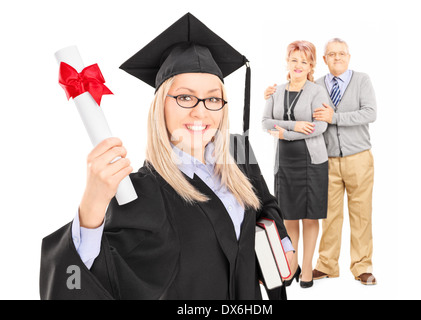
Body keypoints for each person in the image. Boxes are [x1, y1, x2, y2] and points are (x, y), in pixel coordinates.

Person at [40, 13, 294, 300]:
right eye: (185, 97)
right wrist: (91, 209)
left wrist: (281, 244)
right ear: (161, 105)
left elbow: (265, 204)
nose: (201, 111)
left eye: (213, 98)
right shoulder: (142, 192)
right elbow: (89, 276)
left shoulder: (237, 152)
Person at [262, 40, 329, 289]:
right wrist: (295, 126)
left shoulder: (317, 92)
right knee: (289, 216)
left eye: (304, 61)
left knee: (310, 217)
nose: (298, 65)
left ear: (311, 64)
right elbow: (266, 122)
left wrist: (286, 133)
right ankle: (292, 265)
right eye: (294, 60)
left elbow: (320, 126)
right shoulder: (275, 91)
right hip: (285, 163)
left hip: (312, 162)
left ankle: (308, 267)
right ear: (287, 62)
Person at [312, 38, 377, 285]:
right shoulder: (316, 85)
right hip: (327, 160)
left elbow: (370, 113)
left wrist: (334, 117)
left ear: (348, 57)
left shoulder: (362, 80)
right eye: (332, 54)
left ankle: (362, 267)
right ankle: (327, 265)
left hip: (358, 158)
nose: (337, 57)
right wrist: (274, 94)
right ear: (324, 59)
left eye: (341, 53)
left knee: (361, 214)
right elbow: (301, 110)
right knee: (329, 215)